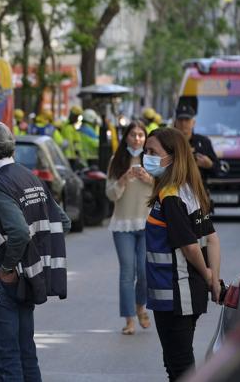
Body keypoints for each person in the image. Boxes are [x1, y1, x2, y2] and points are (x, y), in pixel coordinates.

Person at [0, 121, 68, 382]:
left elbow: (19, 232)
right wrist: (30, 260)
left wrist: (7, 267)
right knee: (26, 354)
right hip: (26, 279)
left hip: (1, 281)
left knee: (7, 360)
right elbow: (62, 222)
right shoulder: (29, 177)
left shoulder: (0, 184)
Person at [143, 127, 221, 381]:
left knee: (179, 368)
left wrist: (209, 275)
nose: (147, 157)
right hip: (184, 294)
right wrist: (212, 278)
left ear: (172, 156)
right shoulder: (188, 190)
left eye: (152, 152)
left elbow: (190, 246)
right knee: (179, 364)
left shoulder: (171, 197)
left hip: (176, 296)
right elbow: (212, 238)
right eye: (146, 152)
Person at [105, 121, 153, 335]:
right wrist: (123, 179)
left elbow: (163, 190)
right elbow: (110, 194)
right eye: (133, 134)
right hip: (122, 225)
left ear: (145, 138)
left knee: (144, 272)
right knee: (127, 272)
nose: (137, 138)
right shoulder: (117, 161)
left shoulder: (152, 160)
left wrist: (148, 178)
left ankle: (140, 307)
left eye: (141, 135)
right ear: (126, 137)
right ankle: (129, 320)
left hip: (147, 224)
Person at [173, 104, 219, 189]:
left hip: (198, 192)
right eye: (180, 120)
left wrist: (210, 165)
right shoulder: (169, 142)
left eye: (187, 120)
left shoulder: (203, 142)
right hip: (175, 192)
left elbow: (217, 171)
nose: (183, 123)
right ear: (175, 122)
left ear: (193, 123)